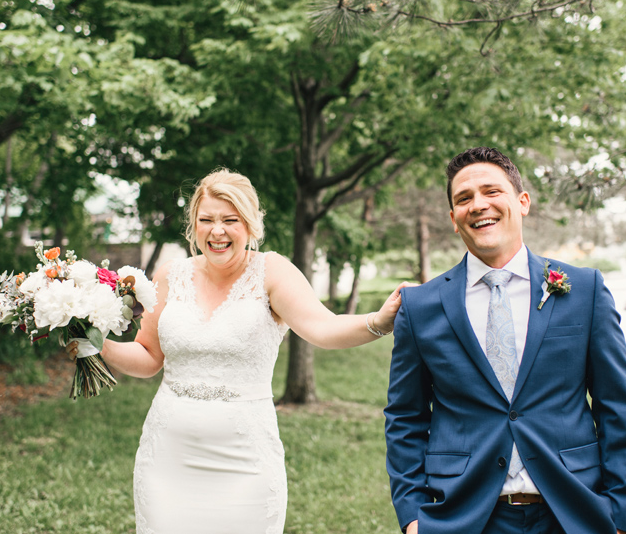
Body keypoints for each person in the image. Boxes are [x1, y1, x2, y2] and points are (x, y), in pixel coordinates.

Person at [68, 168, 408, 534]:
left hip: (245, 465)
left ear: (250, 224)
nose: (217, 231)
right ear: (193, 224)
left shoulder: (272, 272)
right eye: (207, 220)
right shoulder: (170, 275)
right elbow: (149, 358)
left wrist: (379, 321)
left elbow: (323, 328)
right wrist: (94, 344)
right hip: (166, 460)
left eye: (230, 220)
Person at [384, 147, 626, 534]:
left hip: (574, 513)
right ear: (453, 219)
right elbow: (405, 417)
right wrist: (413, 518)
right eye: (463, 198)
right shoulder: (420, 306)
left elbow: (617, 407)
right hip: (463, 517)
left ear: (522, 202)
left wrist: (621, 517)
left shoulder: (585, 290)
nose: (478, 205)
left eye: (492, 191)